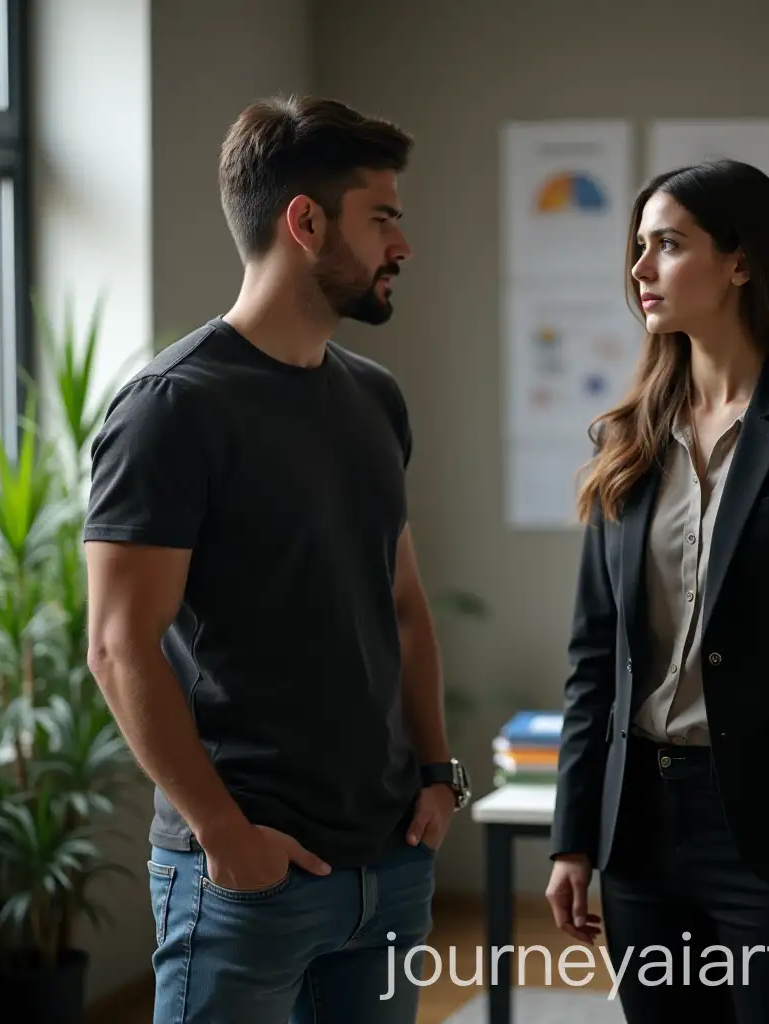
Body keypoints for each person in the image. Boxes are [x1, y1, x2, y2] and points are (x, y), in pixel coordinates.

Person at [83, 95, 471, 1024]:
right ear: (305, 222)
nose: (401, 247)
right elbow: (118, 645)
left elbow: (404, 604)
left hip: (389, 867)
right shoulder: (171, 409)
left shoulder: (375, 399)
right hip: (249, 877)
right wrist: (224, 836)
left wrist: (438, 775)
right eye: (381, 218)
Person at [544, 159, 769, 1024]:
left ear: (741, 261)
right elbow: (596, 660)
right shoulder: (624, 439)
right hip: (640, 831)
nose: (640, 271)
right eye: (638, 247)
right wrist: (573, 835)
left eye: (667, 245)